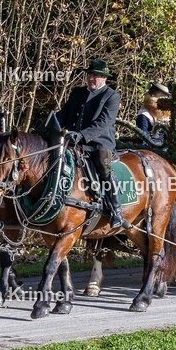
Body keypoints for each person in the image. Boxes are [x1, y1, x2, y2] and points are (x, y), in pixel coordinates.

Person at [59, 58, 125, 229]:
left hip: (99, 142)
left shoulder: (112, 96)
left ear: (104, 78)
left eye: (96, 76)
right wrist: (51, 124)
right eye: (90, 75)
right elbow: (64, 114)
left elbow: (103, 123)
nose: (92, 79)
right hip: (73, 140)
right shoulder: (77, 93)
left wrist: (81, 135)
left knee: (103, 166)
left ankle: (116, 209)